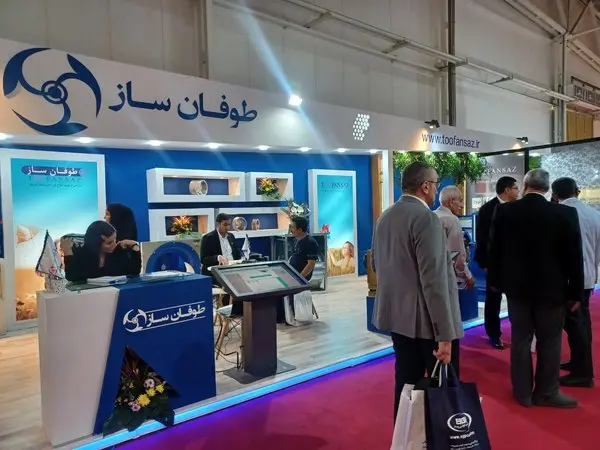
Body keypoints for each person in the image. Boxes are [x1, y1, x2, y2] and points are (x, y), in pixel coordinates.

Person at [372, 161, 464, 420]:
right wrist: (445, 335)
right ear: (425, 186)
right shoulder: (426, 218)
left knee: (406, 384)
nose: (435, 189)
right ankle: (442, 437)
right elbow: (434, 281)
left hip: (398, 319)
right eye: (435, 184)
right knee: (442, 389)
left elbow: (377, 264)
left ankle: (404, 435)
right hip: (428, 323)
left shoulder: (385, 216)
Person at [488, 169, 583, 408]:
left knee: (520, 340)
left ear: (525, 185)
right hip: (553, 291)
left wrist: (496, 282)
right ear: (548, 189)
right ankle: (547, 392)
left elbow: (495, 250)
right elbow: (574, 256)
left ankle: (522, 393)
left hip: (517, 290)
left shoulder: (505, 211)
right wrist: (576, 292)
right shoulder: (565, 213)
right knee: (550, 341)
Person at [552, 177, 600, 388]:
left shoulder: (560, 214)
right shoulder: (594, 214)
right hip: (587, 277)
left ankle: (583, 373)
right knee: (582, 324)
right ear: (577, 191)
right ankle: (579, 364)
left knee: (574, 325)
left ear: (555, 195)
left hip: (569, 279)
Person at [474, 176, 519, 349]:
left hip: (514, 262)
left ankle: (520, 332)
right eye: (515, 188)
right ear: (507, 189)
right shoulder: (488, 209)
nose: (518, 191)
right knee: (493, 298)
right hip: (494, 263)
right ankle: (493, 333)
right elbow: (482, 238)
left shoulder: (518, 207)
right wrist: (486, 264)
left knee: (516, 298)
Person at [64, 220, 141, 282]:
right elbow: (72, 277)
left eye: (115, 240)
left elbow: (134, 271)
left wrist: (135, 247)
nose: (114, 245)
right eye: (109, 243)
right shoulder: (82, 254)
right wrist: (68, 254)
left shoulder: (117, 251)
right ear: (96, 244)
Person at [200, 213, 242, 313]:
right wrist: (217, 257)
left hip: (232, 269)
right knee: (230, 283)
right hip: (217, 272)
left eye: (229, 225)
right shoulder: (208, 238)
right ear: (218, 224)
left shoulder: (231, 236)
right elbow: (204, 259)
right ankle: (228, 311)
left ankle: (241, 310)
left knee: (244, 281)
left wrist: (241, 260)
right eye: (225, 224)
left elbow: (237, 255)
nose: (227, 227)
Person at [435, 185, 475, 289]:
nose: (462, 205)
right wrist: (468, 276)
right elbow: (457, 254)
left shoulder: (432, 216)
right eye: (460, 201)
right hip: (448, 278)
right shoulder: (452, 220)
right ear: (451, 201)